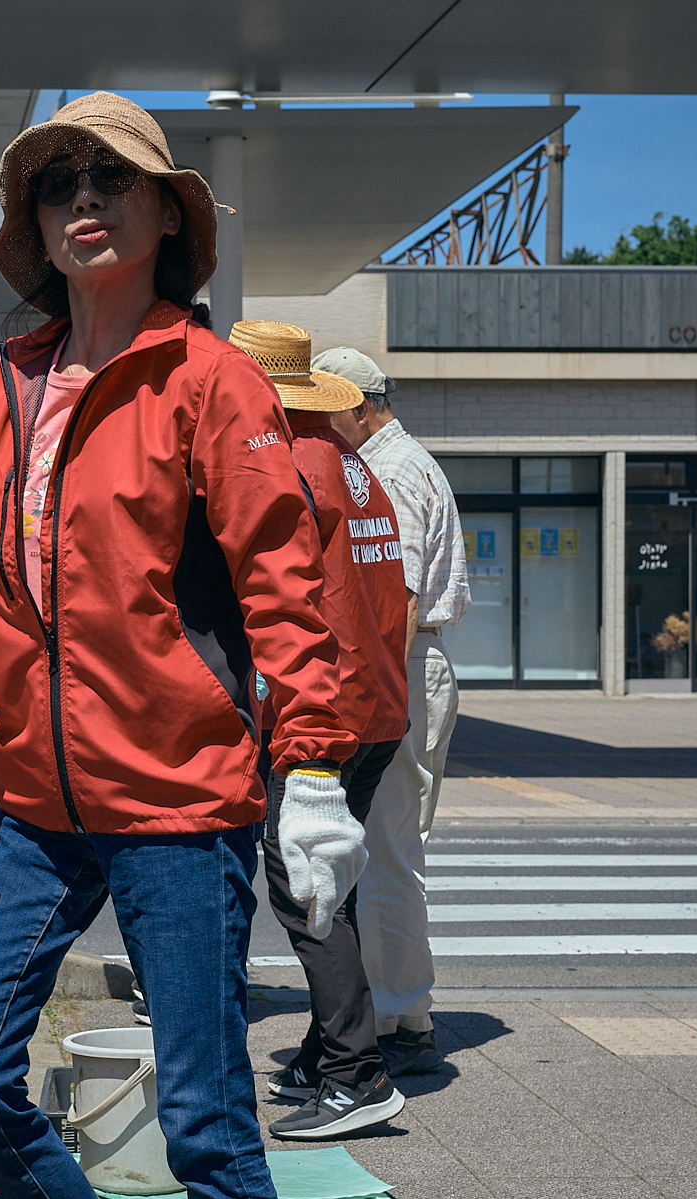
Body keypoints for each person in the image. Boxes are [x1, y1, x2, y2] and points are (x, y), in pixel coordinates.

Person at [0, 93, 363, 1199]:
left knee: (209, 1122)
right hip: (37, 805)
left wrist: (314, 767)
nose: (84, 203)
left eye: (112, 181)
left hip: (178, 797)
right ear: (34, 226)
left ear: (170, 213)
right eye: (58, 187)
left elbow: (286, 585)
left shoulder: (210, 383)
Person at [227, 321, 412, 1141]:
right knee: (334, 881)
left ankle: (354, 1073)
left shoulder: (282, 465)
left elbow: (291, 605)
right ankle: (328, 1050)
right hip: (378, 702)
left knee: (303, 885)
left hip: (321, 712)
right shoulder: (351, 464)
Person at [312, 345, 470, 1075]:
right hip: (409, 663)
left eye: (324, 405)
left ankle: (403, 1017)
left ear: (357, 403)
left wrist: (376, 688)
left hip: (400, 661)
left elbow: (397, 596)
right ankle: (399, 1009)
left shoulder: (393, 470)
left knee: (386, 855)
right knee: (388, 851)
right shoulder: (401, 459)